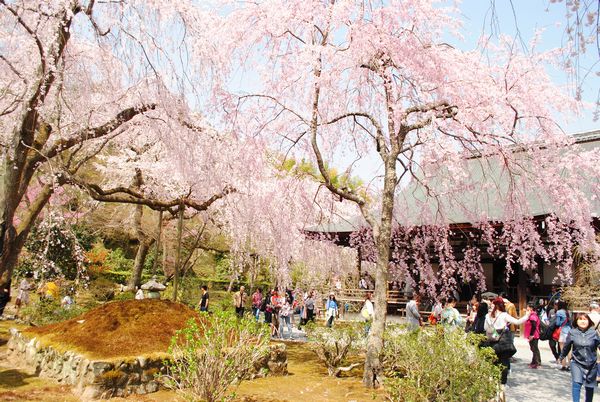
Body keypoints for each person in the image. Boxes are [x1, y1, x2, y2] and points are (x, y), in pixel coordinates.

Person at [484, 297, 530, 386]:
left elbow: (485, 328)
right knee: (504, 362)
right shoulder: (504, 315)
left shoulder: (487, 316)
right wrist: (527, 315)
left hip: (492, 341)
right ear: (502, 305)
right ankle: (502, 383)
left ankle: (493, 381)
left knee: (493, 362)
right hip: (503, 342)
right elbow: (518, 322)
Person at [559, 313, 599, 402]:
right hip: (577, 362)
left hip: (591, 364)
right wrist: (561, 356)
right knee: (577, 383)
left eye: (585, 319)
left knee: (589, 386)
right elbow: (567, 346)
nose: (583, 321)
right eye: (580, 319)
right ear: (576, 321)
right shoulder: (572, 332)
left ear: (589, 321)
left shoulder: (593, 333)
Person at [524, 302, 541, 368]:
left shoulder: (533, 316)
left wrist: (531, 335)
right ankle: (534, 362)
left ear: (531, 308)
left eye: (527, 307)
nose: (527, 308)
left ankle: (537, 363)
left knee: (534, 348)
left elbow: (534, 326)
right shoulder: (531, 315)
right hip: (533, 334)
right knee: (533, 348)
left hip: (534, 334)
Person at [556, 300, 572, 370]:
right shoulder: (569, 312)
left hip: (563, 331)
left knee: (563, 349)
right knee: (569, 349)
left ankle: (563, 365)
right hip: (569, 331)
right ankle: (570, 365)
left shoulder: (559, 312)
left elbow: (558, 323)